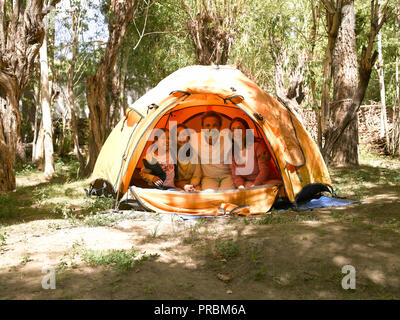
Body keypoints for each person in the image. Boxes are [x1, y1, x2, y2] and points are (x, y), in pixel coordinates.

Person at [229, 117, 279, 188]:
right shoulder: (232, 153)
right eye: (233, 130)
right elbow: (236, 176)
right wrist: (240, 186)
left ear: (246, 131)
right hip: (250, 183)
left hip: (267, 182)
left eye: (239, 129)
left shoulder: (257, 147)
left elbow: (264, 171)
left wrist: (255, 185)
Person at [196, 111, 234, 191]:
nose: (211, 129)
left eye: (215, 125)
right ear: (202, 128)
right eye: (207, 125)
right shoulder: (196, 138)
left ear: (220, 127)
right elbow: (179, 141)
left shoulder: (228, 138)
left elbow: (244, 139)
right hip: (209, 177)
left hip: (227, 176)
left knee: (226, 196)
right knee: (210, 197)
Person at [173, 124, 202, 192]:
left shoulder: (194, 154)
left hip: (193, 184)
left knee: (197, 193)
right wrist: (183, 186)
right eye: (177, 135)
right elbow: (171, 179)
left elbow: (197, 175)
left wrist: (191, 186)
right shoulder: (171, 155)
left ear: (188, 137)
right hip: (177, 185)